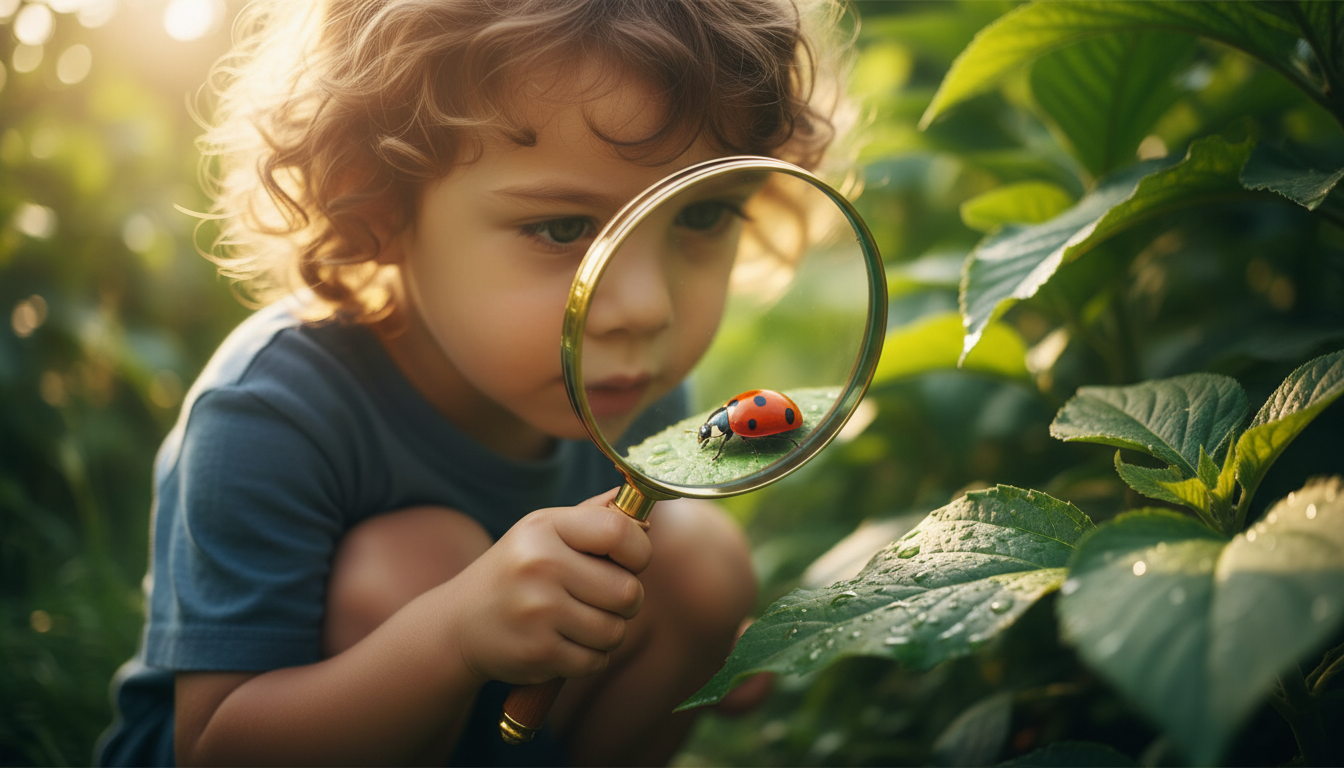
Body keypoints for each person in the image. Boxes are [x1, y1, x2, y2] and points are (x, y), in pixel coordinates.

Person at [98, 0, 847, 764]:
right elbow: (213, 748)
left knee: (700, 568)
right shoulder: (270, 412)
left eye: (705, 214)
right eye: (562, 229)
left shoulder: (631, 382)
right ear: (380, 202)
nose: (646, 308)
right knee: (418, 561)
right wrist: (453, 634)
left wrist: (697, 642)